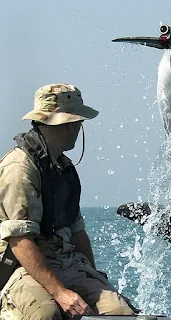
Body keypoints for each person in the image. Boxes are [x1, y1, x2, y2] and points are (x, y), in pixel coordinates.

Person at [0, 84, 136, 319]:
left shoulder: (64, 168)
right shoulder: (19, 168)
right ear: (71, 123)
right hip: (20, 267)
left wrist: (94, 276)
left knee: (121, 313)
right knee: (46, 314)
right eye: (79, 122)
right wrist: (61, 293)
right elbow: (20, 240)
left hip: (64, 261)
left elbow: (76, 231)